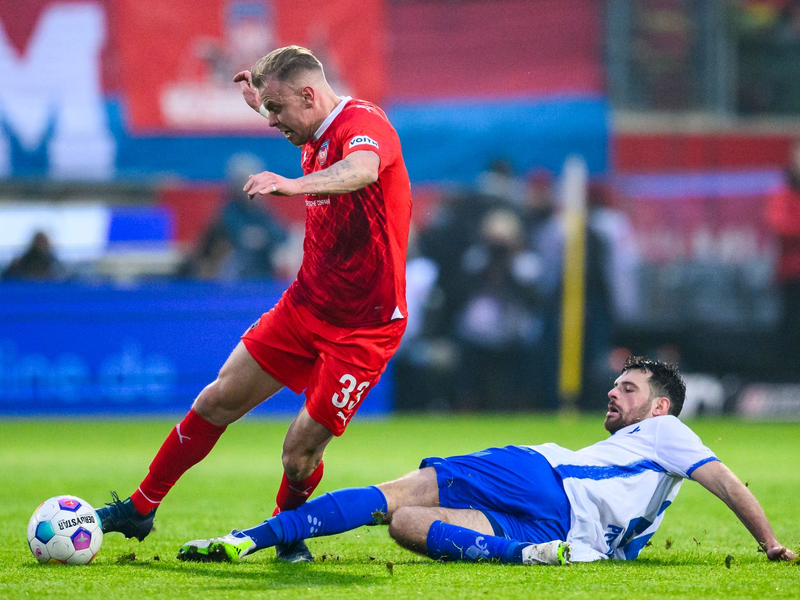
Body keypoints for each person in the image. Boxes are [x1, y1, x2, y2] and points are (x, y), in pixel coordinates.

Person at [96, 45, 412, 563]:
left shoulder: (364, 124)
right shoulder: (310, 121)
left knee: (298, 454)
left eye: (277, 110)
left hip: (365, 327)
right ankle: (141, 506)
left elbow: (362, 170)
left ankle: (287, 533)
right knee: (217, 399)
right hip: (306, 304)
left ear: (309, 95)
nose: (271, 122)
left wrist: (293, 184)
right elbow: (293, 112)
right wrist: (259, 95)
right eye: (266, 111)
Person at [176, 357, 796, 566]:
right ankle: (526, 558)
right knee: (406, 527)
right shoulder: (648, 489)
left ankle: (251, 538)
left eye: (628, 388)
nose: (613, 391)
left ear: (660, 406)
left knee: (398, 493)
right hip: (559, 535)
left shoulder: (669, 431)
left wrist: (769, 542)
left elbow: (727, 484)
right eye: (615, 384)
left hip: (541, 476)